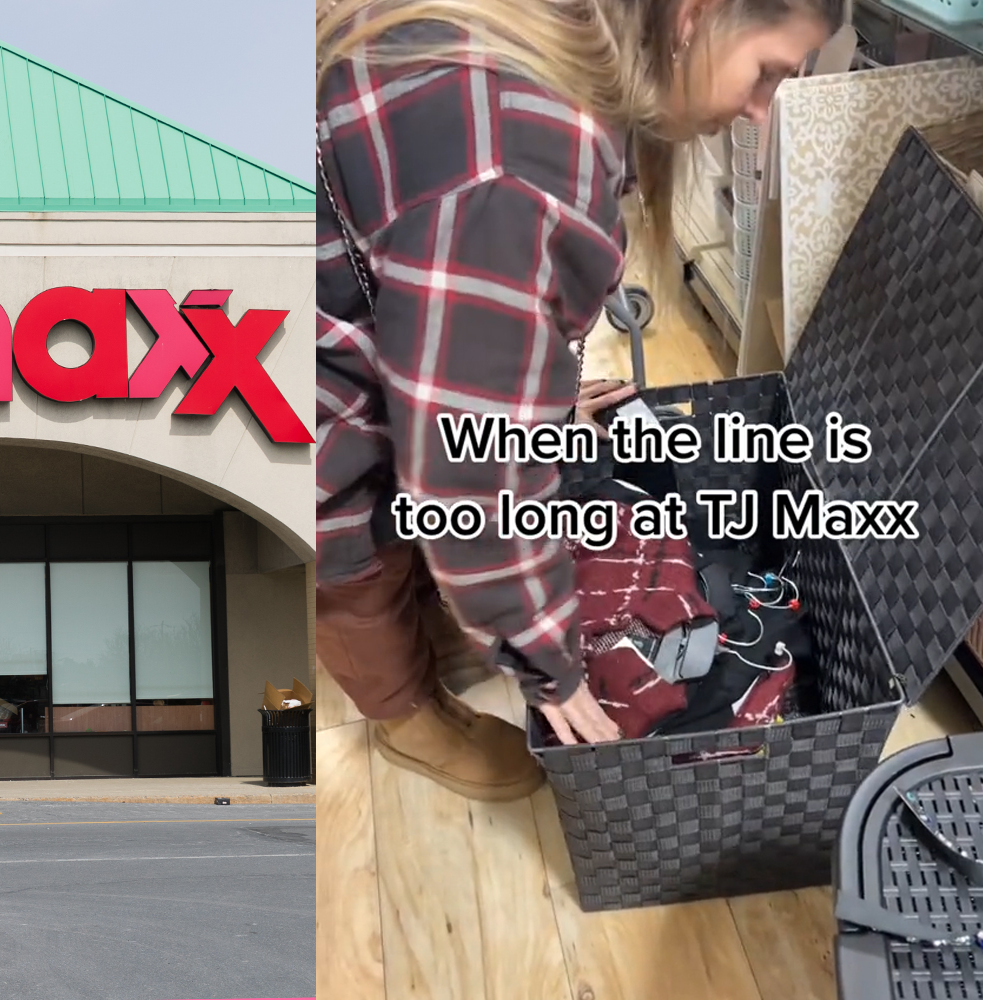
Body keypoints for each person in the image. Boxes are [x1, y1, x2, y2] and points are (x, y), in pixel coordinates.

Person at [312, 0, 839, 801]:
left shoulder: (567, 39)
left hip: (337, 272)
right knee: (346, 532)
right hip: (276, 341)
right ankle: (404, 714)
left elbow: (459, 342)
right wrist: (548, 667)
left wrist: (537, 399)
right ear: (694, 16)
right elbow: (469, 469)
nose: (759, 113)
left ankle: (441, 607)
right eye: (767, 74)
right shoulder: (522, 162)